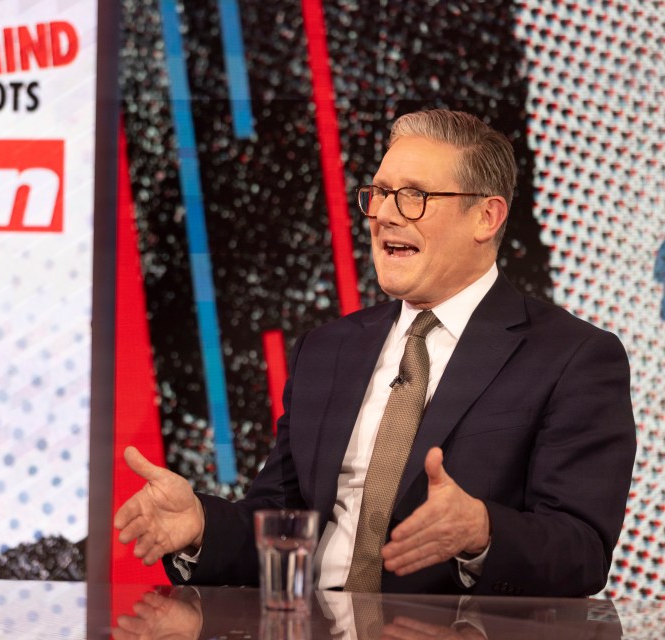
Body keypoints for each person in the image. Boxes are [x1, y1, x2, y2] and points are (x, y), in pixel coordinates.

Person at [114, 109, 636, 596]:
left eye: (413, 196)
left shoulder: (574, 358)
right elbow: (284, 518)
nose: (384, 214)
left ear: (486, 217)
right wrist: (202, 526)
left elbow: (581, 552)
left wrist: (482, 532)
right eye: (380, 193)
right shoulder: (327, 349)